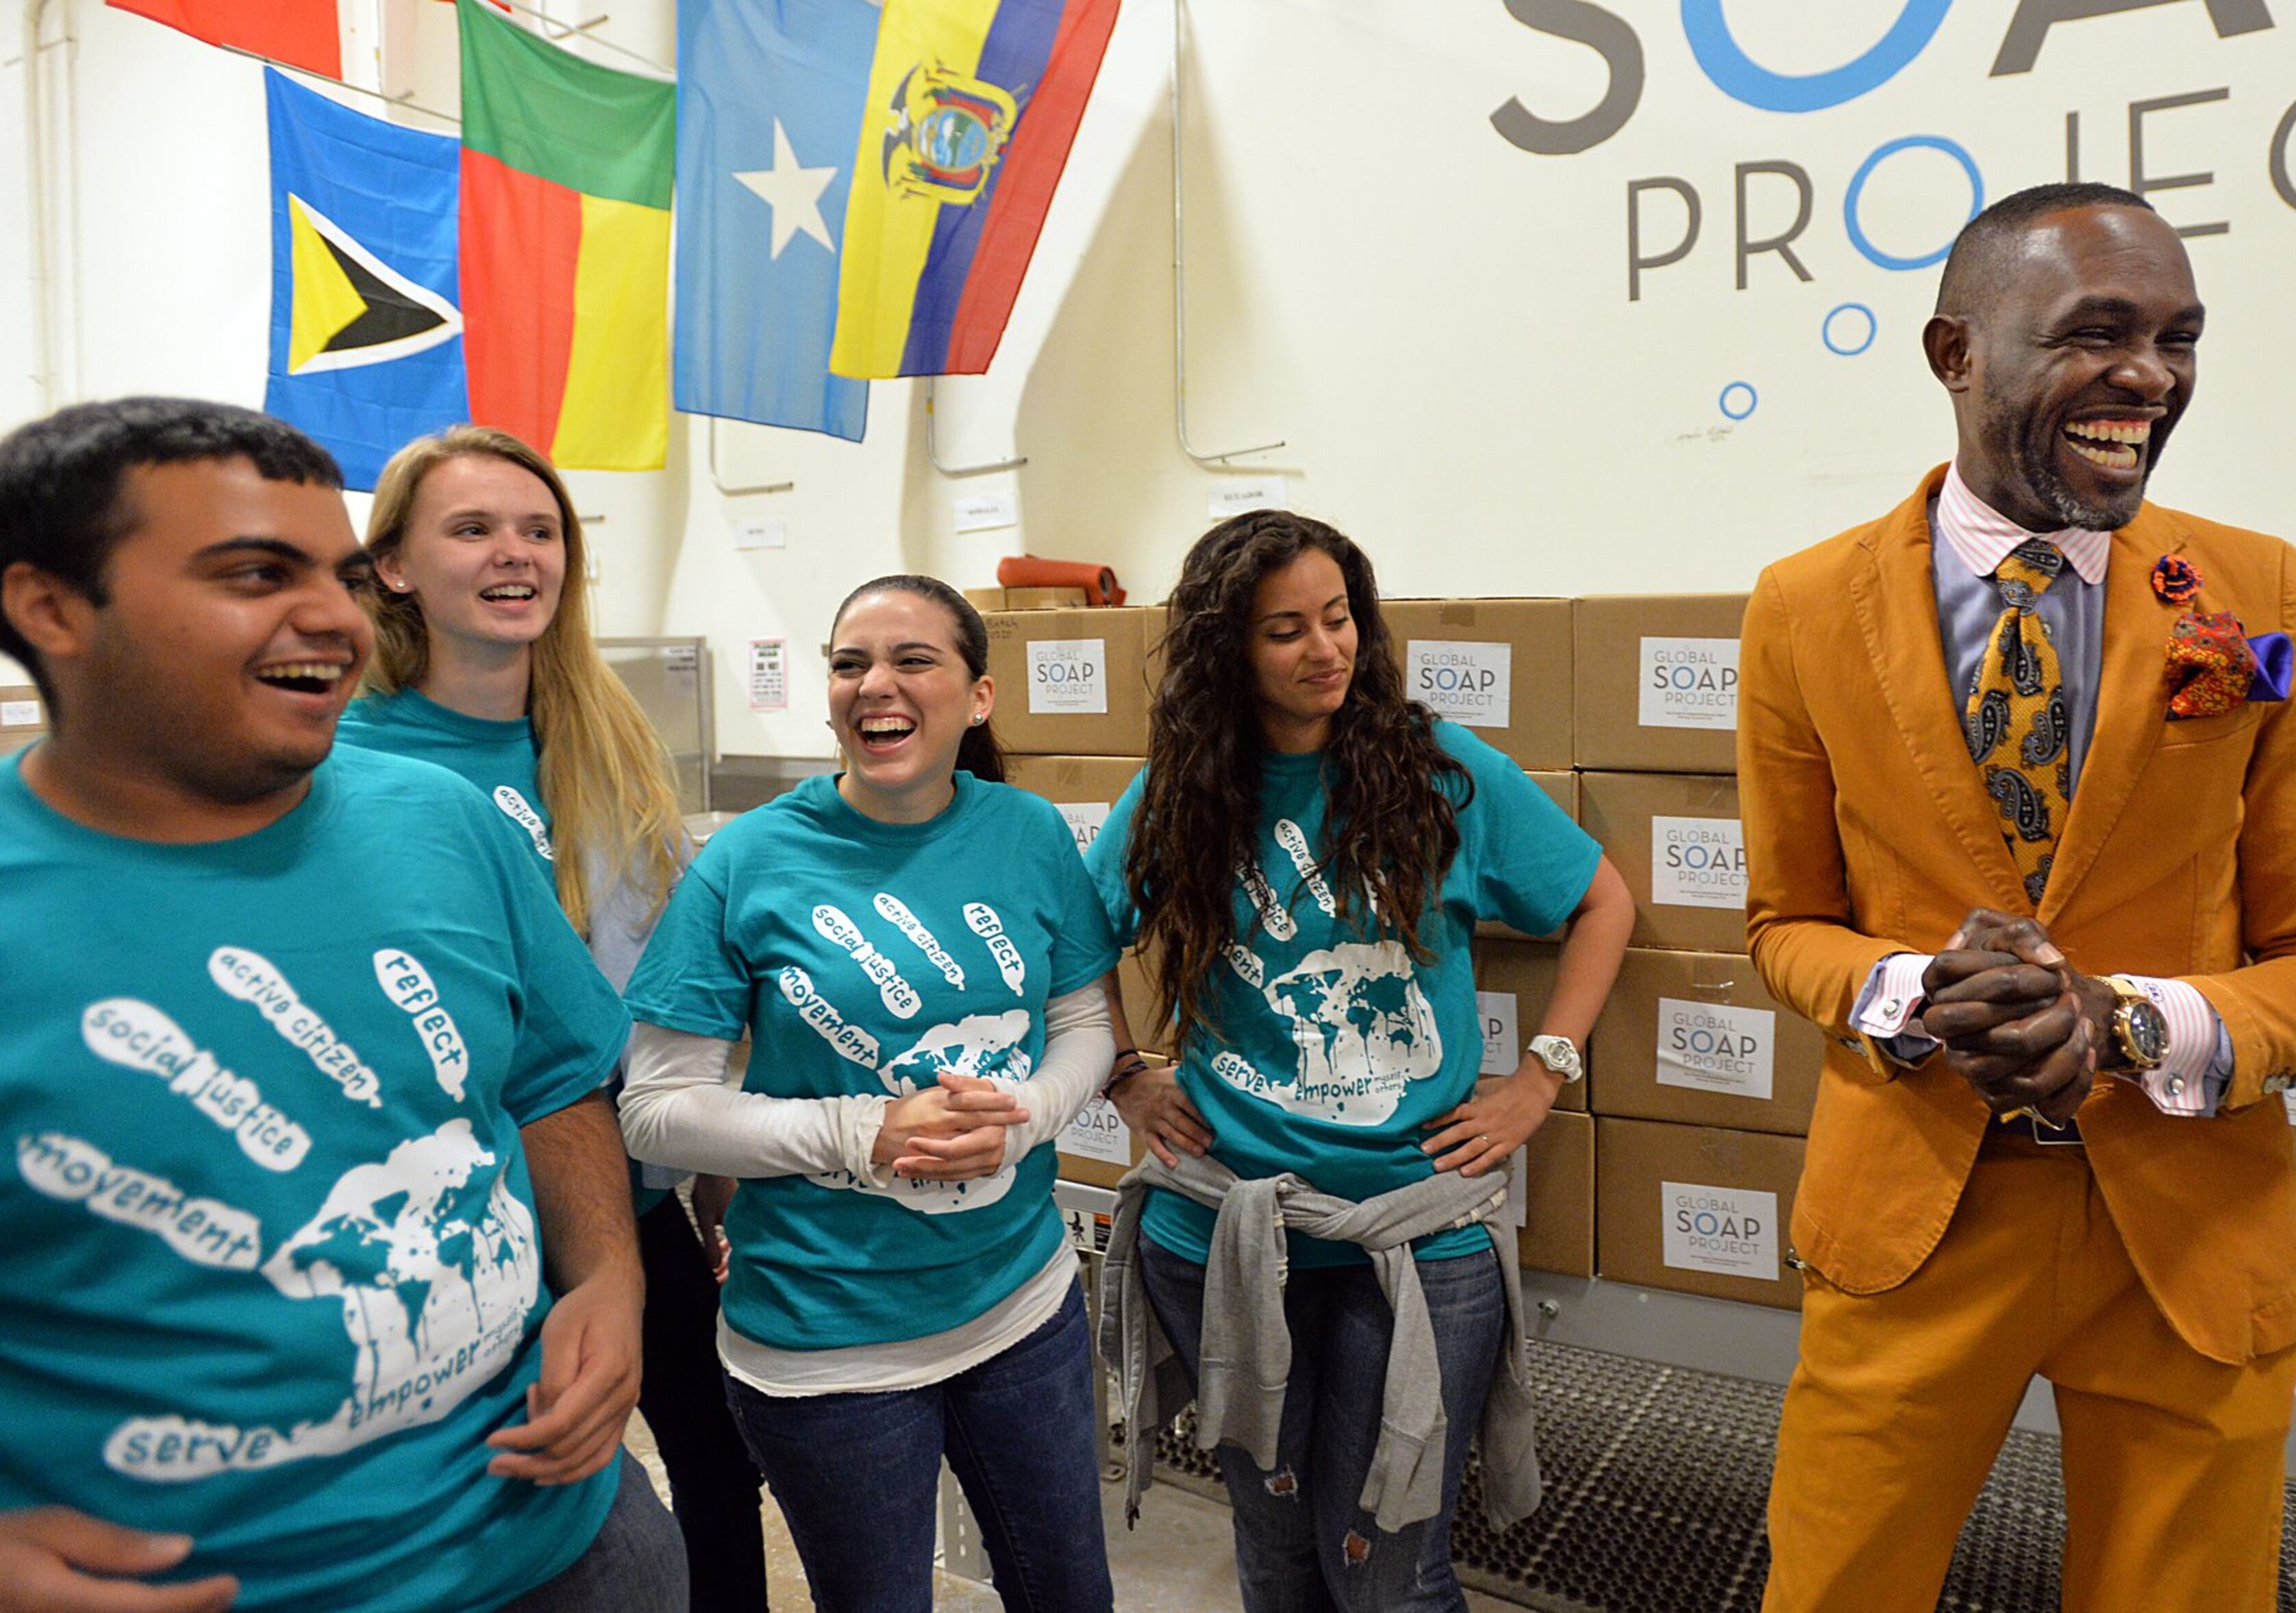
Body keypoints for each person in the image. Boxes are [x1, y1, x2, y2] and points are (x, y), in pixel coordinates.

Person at [1734, 183, 2296, 1613]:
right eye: (2099, 333)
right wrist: (1917, 994)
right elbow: (1785, 919)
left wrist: (2130, 1023)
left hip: (2192, 1238)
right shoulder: (1800, 607)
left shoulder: (2260, 598)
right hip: (1914, 1216)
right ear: (1953, 352)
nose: (2149, 376)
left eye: (2177, 338)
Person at [0, 397, 685, 1612]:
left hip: (565, 1547)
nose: (329, 617)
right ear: (51, 608)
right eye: (256, 574)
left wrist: (606, 1283)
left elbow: (550, 1076)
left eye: (333, 571)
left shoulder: (441, 822)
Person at [1092, 510, 1634, 1613]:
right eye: (1286, 630)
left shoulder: (1436, 770)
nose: (1326, 649)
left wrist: (1540, 1077)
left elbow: (1599, 898)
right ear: (1228, 650)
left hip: (1415, 1235)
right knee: (1277, 1549)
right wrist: (1124, 1074)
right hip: (1227, 1235)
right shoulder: (1185, 792)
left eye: (1338, 618)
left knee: (1389, 1572)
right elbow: (1073, 934)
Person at [618, 575, 1119, 1613]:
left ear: (978, 696)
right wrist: (867, 1131)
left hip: (1023, 1308)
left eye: (912, 660)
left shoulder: (1027, 834)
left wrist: (1025, 1120)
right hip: (825, 1342)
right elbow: (658, 1106)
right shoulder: (747, 862)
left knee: (1071, 1594)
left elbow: (1085, 1027)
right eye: (850, 664)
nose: (875, 685)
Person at [338, 425, 769, 1613]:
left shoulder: (605, 733)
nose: (514, 554)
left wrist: (715, 1152)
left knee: (723, 1467)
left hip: (626, 1195)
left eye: (539, 531)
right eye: (471, 530)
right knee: (531, 1502)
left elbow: (679, 980)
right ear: (394, 568)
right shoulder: (346, 759)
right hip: (464, 1225)